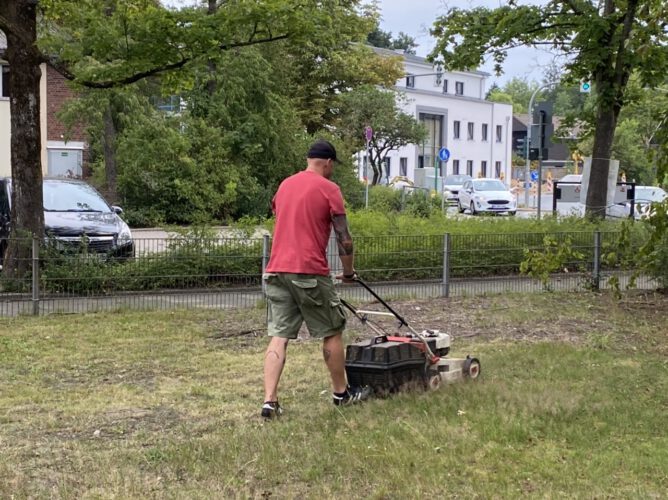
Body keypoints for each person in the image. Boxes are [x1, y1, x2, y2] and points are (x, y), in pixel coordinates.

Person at [261, 139, 370, 419]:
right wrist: (348, 272)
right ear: (328, 163)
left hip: (276, 270)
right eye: (333, 166)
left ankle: (269, 401)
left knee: (279, 336)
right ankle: (341, 394)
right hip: (309, 270)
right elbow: (344, 237)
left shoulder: (285, 185)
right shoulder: (329, 189)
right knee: (331, 330)